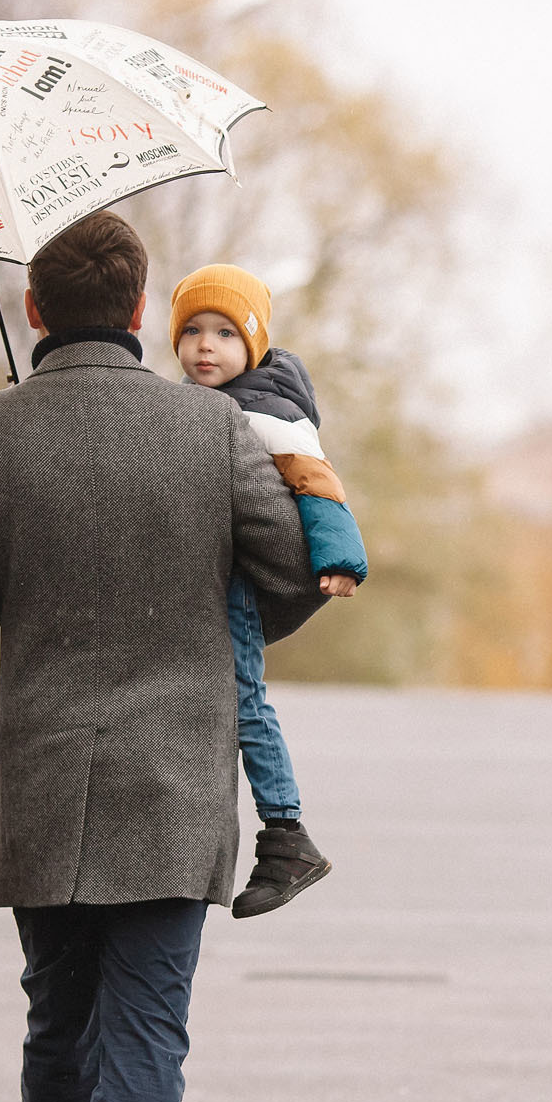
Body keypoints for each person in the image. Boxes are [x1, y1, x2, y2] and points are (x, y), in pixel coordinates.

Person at [0, 210, 325, 1102]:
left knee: (58, 1021)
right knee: (146, 1027)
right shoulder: (213, 433)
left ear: (35, 312)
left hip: (44, 776)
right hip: (174, 780)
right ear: (140, 313)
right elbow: (289, 583)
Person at [166, 264, 369, 917]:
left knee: (245, 702)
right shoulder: (198, 406)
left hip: (237, 586)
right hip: (203, 577)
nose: (205, 346)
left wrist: (341, 558)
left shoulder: (267, 410)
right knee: (220, 701)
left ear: (251, 344)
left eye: (224, 333)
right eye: (193, 330)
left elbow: (319, 484)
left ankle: (287, 835)